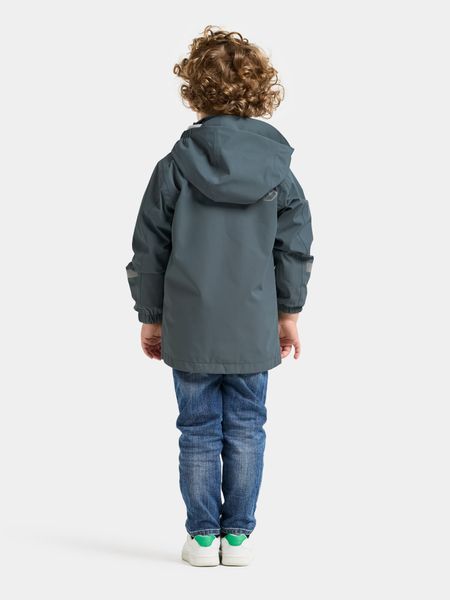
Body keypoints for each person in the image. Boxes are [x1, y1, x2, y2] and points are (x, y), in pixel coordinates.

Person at [125, 25, 314, 567]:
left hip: (191, 323)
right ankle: (239, 538)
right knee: (248, 427)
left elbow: (149, 248)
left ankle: (203, 538)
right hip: (253, 323)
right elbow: (294, 248)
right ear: (260, 91)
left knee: (198, 429)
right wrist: (288, 313)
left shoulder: (174, 167)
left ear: (194, 92)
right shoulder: (279, 172)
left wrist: (152, 317)